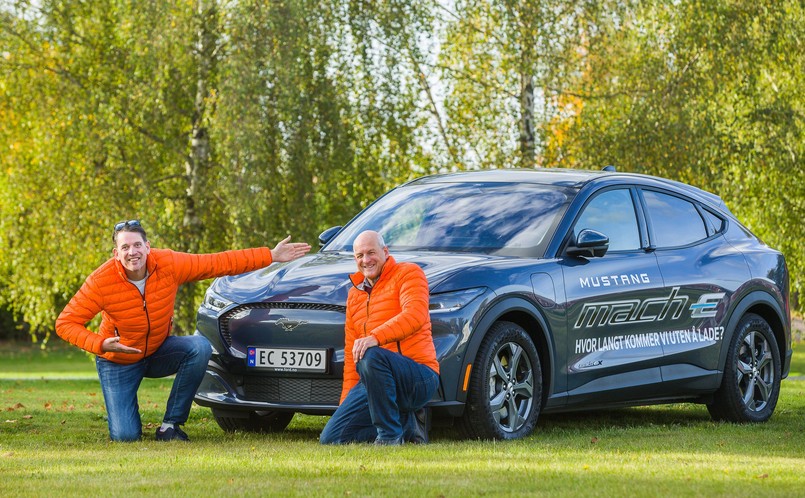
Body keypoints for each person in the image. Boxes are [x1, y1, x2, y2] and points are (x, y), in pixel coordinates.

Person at [55, 220, 310, 442]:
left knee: (198, 347)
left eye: (136, 245)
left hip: (157, 351)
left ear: (147, 246)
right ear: (115, 252)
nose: (132, 252)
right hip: (118, 360)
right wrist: (100, 344)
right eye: (125, 247)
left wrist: (270, 255)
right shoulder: (101, 281)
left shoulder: (168, 263)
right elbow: (65, 323)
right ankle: (128, 417)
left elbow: (217, 262)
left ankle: (170, 426)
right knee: (126, 436)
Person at [320, 230, 439, 445]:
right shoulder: (354, 295)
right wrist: (346, 408)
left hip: (418, 375)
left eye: (371, 253)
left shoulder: (409, 273)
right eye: (359, 256)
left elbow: (415, 315)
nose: (366, 260)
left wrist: (375, 337)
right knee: (332, 438)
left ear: (385, 251)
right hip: (375, 381)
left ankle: (389, 436)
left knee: (371, 355)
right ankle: (406, 427)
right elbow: (351, 356)